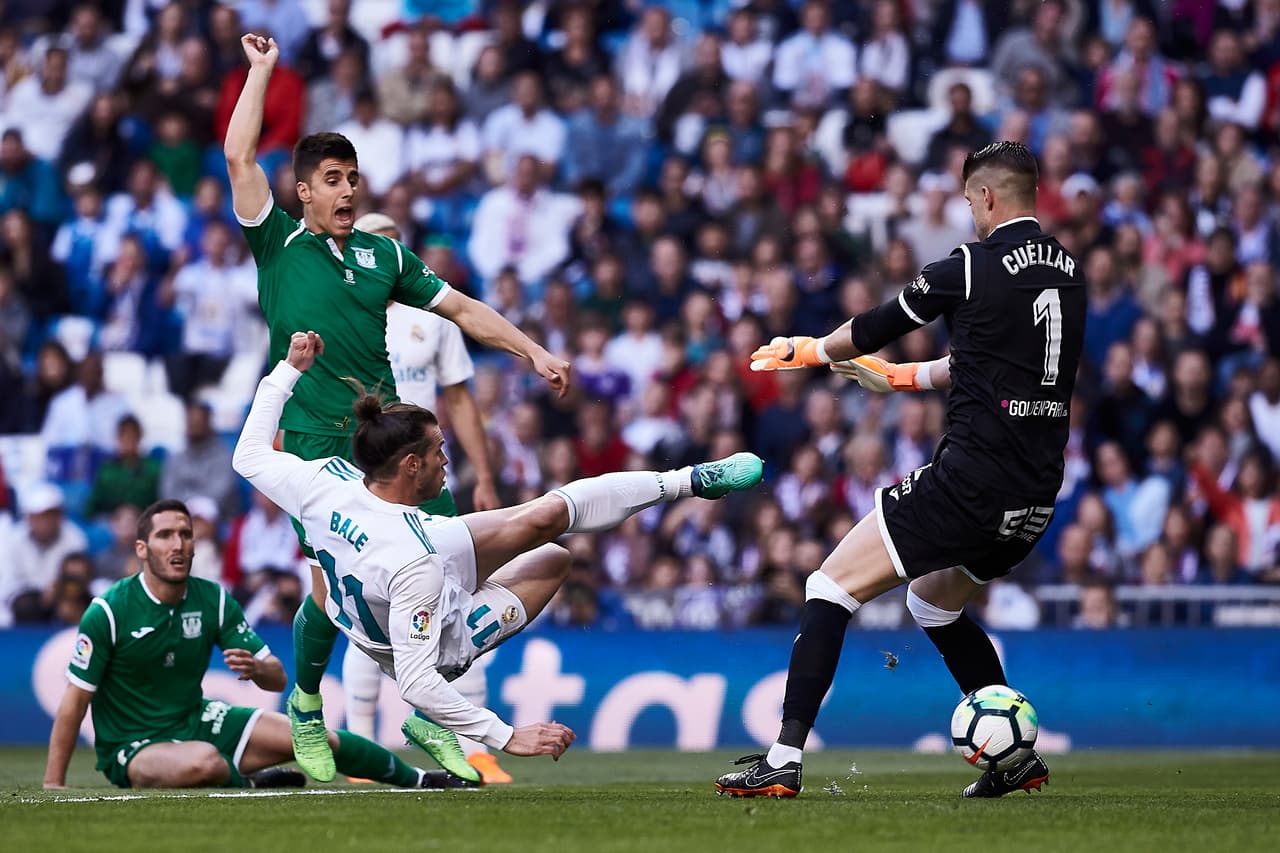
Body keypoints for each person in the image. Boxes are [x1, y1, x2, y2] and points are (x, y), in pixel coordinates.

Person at [224, 33, 571, 784]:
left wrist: (531, 351)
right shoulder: (278, 242)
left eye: (354, 177)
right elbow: (239, 160)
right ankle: (309, 704)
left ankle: (426, 704)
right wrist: (260, 74)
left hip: (394, 441)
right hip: (317, 444)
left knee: (457, 573)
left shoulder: (385, 258)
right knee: (331, 583)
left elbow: (462, 308)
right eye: (331, 178)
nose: (347, 190)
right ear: (304, 192)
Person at [715, 142, 1085, 799]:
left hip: (969, 482)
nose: (971, 215)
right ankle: (1015, 758)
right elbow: (985, 366)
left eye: (971, 202)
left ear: (988, 198)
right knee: (932, 603)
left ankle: (783, 758)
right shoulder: (1068, 273)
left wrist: (811, 350)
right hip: (1032, 499)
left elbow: (874, 325)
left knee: (829, 585)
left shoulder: (969, 266)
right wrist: (901, 377)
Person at [232, 330, 763, 783]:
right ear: (412, 466)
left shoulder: (323, 479)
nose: (447, 460)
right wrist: (505, 734)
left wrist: (288, 369)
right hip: (412, 640)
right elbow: (416, 681)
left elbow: (248, 453)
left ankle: (690, 479)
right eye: (438, 450)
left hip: (387, 574)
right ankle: (433, 720)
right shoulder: (415, 557)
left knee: (542, 522)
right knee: (552, 563)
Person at [43, 499, 466, 791]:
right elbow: (74, 703)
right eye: (165, 536)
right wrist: (53, 784)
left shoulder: (214, 599)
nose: (178, 545)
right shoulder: (110, 610)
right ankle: (248, 782)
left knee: (316, 740)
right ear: (141, 549)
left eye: (186, 535)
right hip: (132, 747)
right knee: (203, 762)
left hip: (196, 720)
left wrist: (256, 669)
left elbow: (276, 676)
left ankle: (420, 779)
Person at [343, 212, 508, 783]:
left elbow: (459, 401)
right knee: (363, 611)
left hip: (429, 481)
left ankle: (475, 749)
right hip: (365, 486)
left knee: (459, 599)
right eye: (374, 246)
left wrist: (483, 474)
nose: (386, 258)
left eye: (394, 246)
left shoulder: (433, 320)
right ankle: (360, 752)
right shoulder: (341, 315)